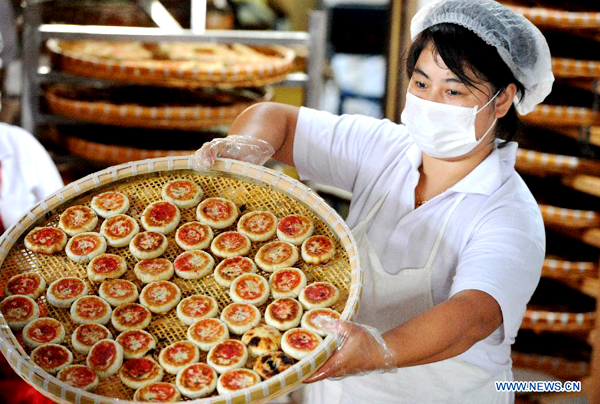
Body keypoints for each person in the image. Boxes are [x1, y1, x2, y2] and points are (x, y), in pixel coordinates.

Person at [195, 0, 553, 402]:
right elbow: (277, 118)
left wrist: (381, 349)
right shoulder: (386, 149)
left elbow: (473, 314)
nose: (431, 101)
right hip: (337, 389)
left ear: (502, 100)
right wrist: (245, 150)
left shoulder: (509, 212)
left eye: (453, 90)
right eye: (421, 84)